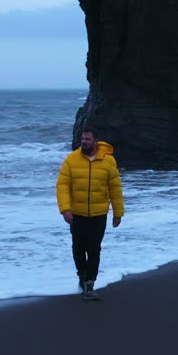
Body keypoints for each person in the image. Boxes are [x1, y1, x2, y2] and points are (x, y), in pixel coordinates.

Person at [56, 128, 125, 300]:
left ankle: (90, 284)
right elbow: (62, 185)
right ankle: (82, 275)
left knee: (94, 249)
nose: (84, 142)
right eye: (82, 139)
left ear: (95, 141)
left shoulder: (108, 161)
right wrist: (65, 209)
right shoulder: (72, 159)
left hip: (99, 213)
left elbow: (115, 188)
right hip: (77, 214)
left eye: (87, 139)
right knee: (78, 248)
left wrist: (118, 213)